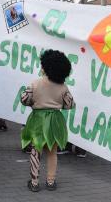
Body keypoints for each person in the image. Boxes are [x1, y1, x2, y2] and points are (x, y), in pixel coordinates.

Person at [20, 49, 75, 192]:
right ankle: (50, 181)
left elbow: (24, 99)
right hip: (55, 120)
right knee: (52, 151)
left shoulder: (35, 83)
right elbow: (70, 105)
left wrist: (34, 103)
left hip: (38, 119)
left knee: (36, 150)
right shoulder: (63, 87)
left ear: (45, 67)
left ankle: (34, 181)